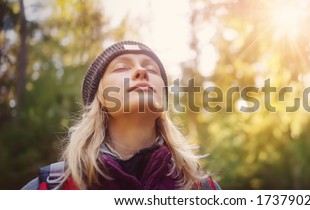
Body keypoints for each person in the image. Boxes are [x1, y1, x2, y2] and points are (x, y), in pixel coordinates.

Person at [22, 41, 220, 190]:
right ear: (98, 98)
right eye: (122, 67)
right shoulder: (48, 190)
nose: (142, 71)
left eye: (152, 69)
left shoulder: (203, 190)